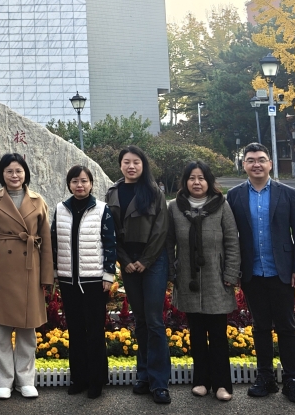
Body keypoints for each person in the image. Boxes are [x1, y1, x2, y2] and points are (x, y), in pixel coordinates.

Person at [225, 143, 295, 404]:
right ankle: (265, 377)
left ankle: (291, 380)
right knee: (260, 326)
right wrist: (233, 270)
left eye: (261, 159)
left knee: (286, 327)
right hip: (251, 273)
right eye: (251, 160)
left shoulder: (287, 193)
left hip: (282, 272)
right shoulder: (235, 196)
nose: (256, 164)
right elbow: (229, 236)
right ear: (244, 165)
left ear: (270, 164)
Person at [0, 153, 53, 400]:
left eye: (18, 170)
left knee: (27, 330)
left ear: (25, 173)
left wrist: (47, 276)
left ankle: (25, 380)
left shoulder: (38, 200)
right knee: (0, 330)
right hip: (0, 267)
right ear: (1, 174)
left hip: (30, 267)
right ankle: (3, 381)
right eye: (9, 171)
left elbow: (47, 241)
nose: (14, 175)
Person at [105, 145, 172, 404]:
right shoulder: (113, 192)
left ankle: (159, 382)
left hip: (152, 261)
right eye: (126, 162)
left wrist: (145, 260)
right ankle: (143, 375)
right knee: (140, 320)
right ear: (120, 165)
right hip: (128, 263)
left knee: (154, 320)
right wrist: (125, 260)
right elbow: (110, 230)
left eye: (136, 162)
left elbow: (161, 229)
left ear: (143, 165)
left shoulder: (154, 192)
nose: (131, 166)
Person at [168, 161, 240, 402]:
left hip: (216, 279)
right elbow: (168, 243)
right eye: (192, 178)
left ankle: (222, 384)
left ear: (209, 181)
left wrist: (230, 274)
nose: (196, 182)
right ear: (185, 181)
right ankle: (200, 381)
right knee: (196, 334)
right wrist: (172, 273)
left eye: (201, 178)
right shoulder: (175, 207)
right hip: (188, 279)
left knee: (218, 335)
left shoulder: (222, 205)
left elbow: (232, 242)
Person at [51, 165, 116, 399]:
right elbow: (54, 242)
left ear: (91, 184)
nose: (80, 185)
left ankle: (97, 381)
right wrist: (55, 272)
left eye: (84, 181)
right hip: (68, 280)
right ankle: (79, 379)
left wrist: (108, 275)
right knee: (75, 330)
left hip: (94, 281)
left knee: (95, 332)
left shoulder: (102, 209)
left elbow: (110, 243)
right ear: (69, 184)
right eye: (75, 181)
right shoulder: (61, 209)